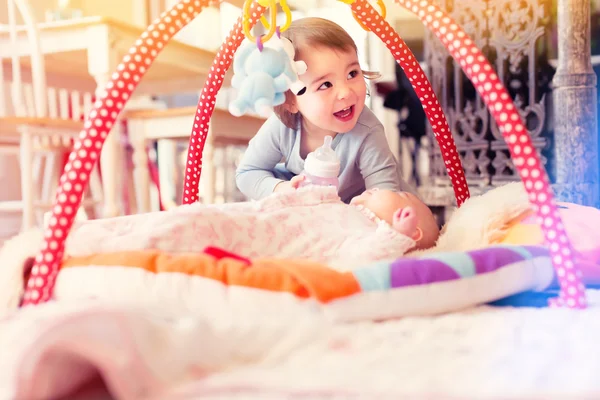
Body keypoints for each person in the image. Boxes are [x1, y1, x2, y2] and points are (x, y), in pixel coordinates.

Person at [235, 17, 415, 204]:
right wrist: (281, 189)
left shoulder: (367, 131)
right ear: (290, 102)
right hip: (323, 213)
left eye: (352, 74)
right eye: (325, 84)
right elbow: (247, 173)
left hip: (384, 211)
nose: (345, 92)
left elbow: (386, 200)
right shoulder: (280, 128)